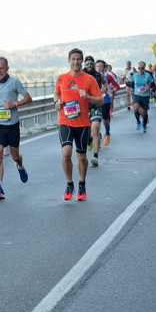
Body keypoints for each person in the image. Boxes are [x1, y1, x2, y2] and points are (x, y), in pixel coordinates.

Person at [54, 48, 103, 200]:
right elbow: (57, 93)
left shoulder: (89, 79)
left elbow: (100, 100)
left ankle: (82, 183)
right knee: (66, 153)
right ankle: (69, 184)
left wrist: (88, 96)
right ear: (69, 60)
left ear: (82, 61)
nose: (76, 62)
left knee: (81, 156)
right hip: (65, 121)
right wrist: (56, 101)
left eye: (78, 59)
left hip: (82, 123)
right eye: (73, 59)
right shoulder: (61, 78)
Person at [0, 57, 32, 199]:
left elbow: (28, 98)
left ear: (7, 69)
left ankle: (20, 166)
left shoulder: (14, 82)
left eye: (2, 68)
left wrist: (14, 104)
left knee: (15, 156)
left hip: (12, 125)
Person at [82, 55, 103, 167]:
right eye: (87, 63)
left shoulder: (97, 75)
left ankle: (95, 156)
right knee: (85, 132)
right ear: (84, 65)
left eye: (91, 63)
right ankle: (89, 140)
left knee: (95, 129)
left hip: (95, 104)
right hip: (83, 106)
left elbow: (101, 86)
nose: (89, 65)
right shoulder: (80, 74)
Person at [95, 60, 119, 146]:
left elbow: (117, 86)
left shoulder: (108, 76)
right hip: (95, 100)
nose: (99, 68)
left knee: (105, 119)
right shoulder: (92, 76)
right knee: (95, 119)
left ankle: (107, 133)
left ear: (104, 68)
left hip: (105, 100)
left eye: (101, 66)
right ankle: (98, 135)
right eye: (97, 66)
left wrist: (111, 90)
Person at [132, 61, 154, 133]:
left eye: (142, 68)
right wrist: (132, 90)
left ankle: (144, 125)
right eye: (139, 68)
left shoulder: (148, 75)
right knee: (135, 108)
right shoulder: (135, 75)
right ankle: (138, 121)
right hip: (137, 95)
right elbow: (132, 83)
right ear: (137, 68)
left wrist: (149, 86)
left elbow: (153, 84)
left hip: (145, 96)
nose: (140, 69)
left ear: (144, 68)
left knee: (144, 112)